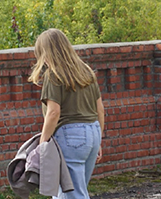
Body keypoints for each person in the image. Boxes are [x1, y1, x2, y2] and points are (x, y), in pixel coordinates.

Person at [29, 29, 105, 199]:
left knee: (70, 194)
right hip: (93, 133)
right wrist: (99, 139)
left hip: (70, 137)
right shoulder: (86, 71)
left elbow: (53, 112)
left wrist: (42, 143)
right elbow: (100, 109)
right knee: (77, 190)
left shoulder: (54, 75)